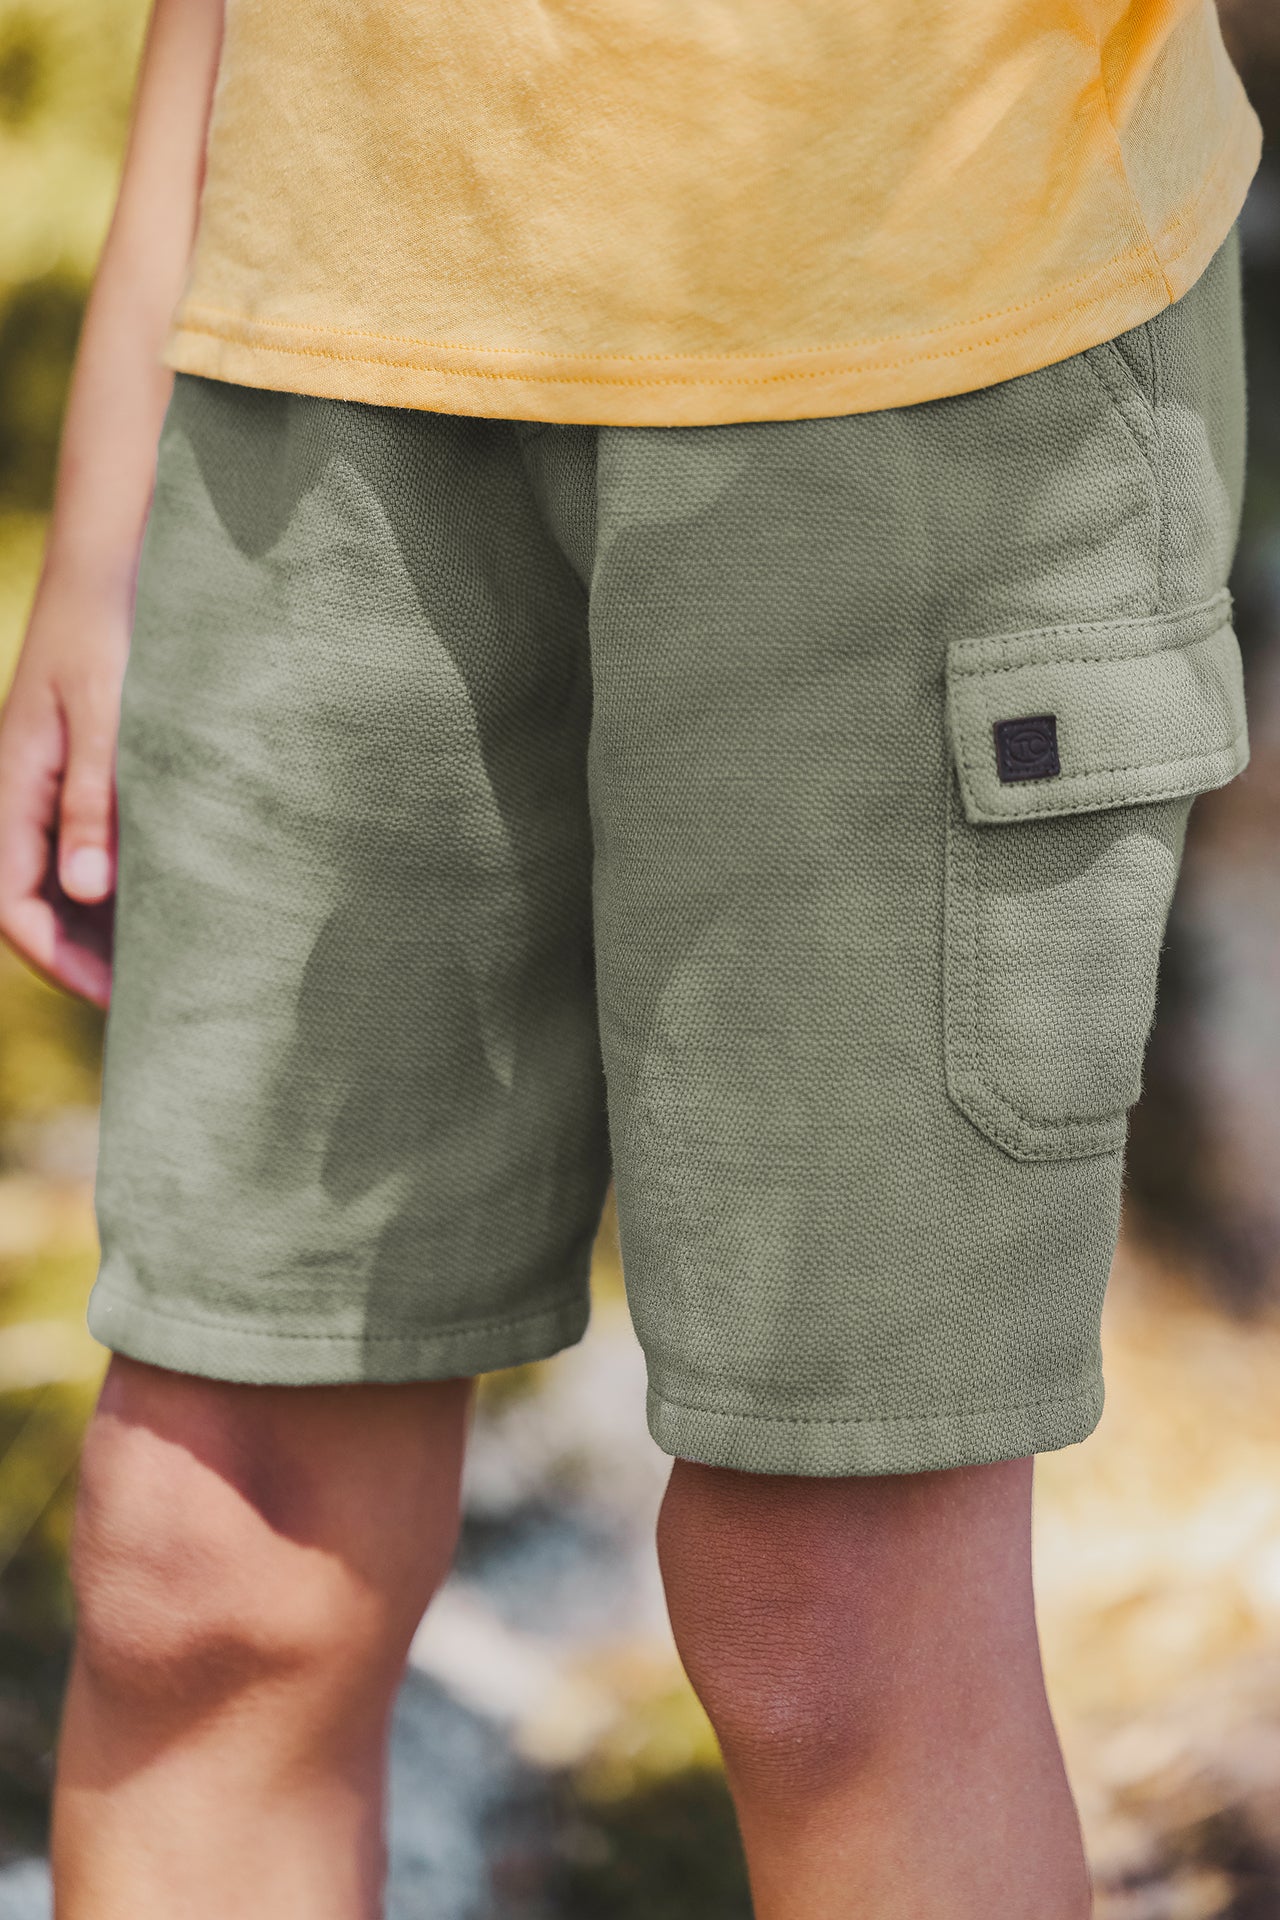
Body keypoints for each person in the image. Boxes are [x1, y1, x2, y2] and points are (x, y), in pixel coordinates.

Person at [0, 1, 1261, 1913]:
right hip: (311, 369)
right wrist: (110, 492)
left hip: (929, 341)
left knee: (830, 1618)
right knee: (209, 1565)